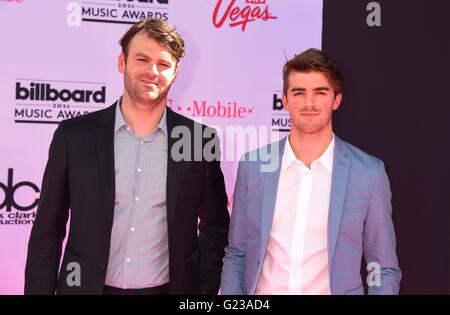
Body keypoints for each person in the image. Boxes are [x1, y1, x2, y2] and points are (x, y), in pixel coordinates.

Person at [25, 19, 230, 295]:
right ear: (122, 62)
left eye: (163, 64)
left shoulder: (198, 141)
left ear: (176, 72)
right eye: (142, 59)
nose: (152, 71)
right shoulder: (74, 136)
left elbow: (215, 229)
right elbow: (46, 232)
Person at [221, 48, 401, 295]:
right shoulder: (253, 166)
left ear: (336, 99)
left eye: (320, 92)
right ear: (284, 100)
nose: (309, 103)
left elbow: (382, 268)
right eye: (299, 92)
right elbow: (237, 254)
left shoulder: (368, 173)